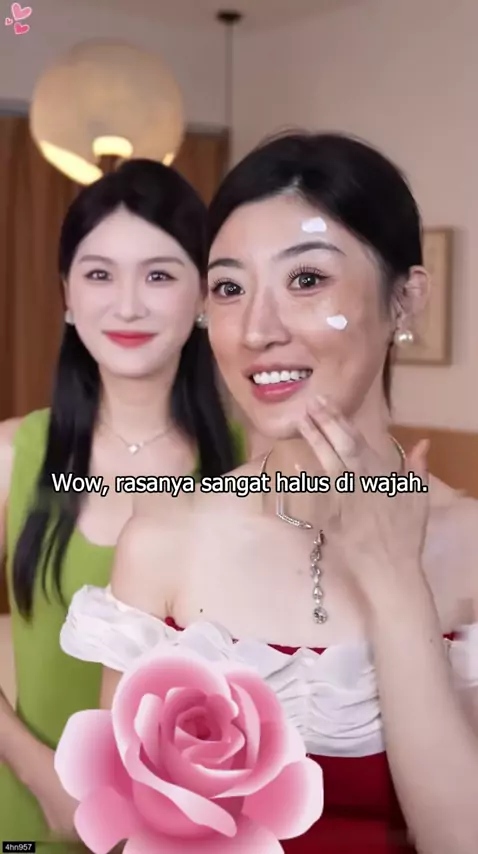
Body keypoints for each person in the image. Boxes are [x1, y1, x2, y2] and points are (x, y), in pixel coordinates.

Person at [61, 134, 478, 853]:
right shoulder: (163, 541)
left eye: (307, 279)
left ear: (406, 300)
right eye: (229, 289)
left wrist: (395, 584)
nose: (256, 330)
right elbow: (129, 832)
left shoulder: (470, 547)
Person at [0, 159, 246, 847]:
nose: (128, 305)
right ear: (67, 296)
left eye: (159, 275)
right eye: (99, 274)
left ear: (204, 296)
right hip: (32, 817)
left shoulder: (253, 466)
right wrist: (40, 775)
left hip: (199, 830)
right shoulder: (12, 455)